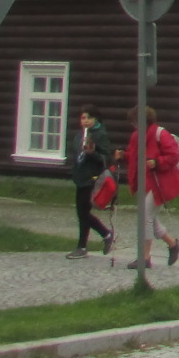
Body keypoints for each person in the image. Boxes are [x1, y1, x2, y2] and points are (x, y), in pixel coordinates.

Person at [124, 106, 179, 269]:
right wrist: (122, 155)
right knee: (150, 218)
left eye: (135, 122)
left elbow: (174, 155)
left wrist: (158, 162)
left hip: (159, 183)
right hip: (145, 181)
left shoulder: (160, 134)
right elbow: (133, 154)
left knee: (145, 218)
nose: (134, 125)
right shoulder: (137, 136)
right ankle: (173, 244)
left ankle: (145, 257)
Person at [66, 105, 115, 258]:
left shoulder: (100, 134)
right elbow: (75, 153)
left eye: (89, 118)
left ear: (95, 119)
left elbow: (106, 158)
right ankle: (105, 235)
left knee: (83, 212)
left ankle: (83, 246)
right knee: (82, 213)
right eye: (83, 118)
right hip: (80, 177)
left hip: (92, 178)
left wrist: (92, 152)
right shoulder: (79, 134)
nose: (85, 121)